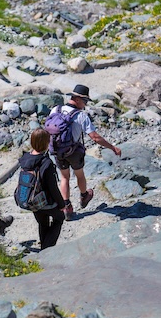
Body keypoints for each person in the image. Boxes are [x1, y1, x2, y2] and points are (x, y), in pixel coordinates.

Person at [50, 84, 122, 221]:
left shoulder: (55, 109)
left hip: (57, 150)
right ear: (77, 99)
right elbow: (95, 137)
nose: (85, 104)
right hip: (74, 151)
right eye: (85, 101)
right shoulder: (81, 115)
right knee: (80, 175)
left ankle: (67, 207)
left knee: (64, 178)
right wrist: (112, 147)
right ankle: (84, 196)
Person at [18, 128, 65, 250]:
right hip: (46, 201)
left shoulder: (25, 159)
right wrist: (61, 204)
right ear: (46, 143)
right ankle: (46, 250)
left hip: (32, 200)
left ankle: (43, 249)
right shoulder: (46, 163)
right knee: (59, 218)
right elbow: (53, 187)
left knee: (43, 223)